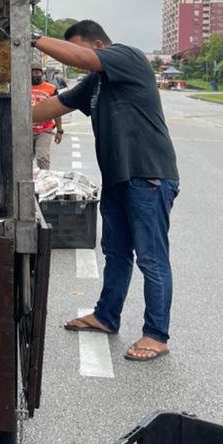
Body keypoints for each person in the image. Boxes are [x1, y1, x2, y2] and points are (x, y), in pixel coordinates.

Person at [31, 21, 179, 362]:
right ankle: (106, 316)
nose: (75, 61)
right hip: (117, 179)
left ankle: (156, 334)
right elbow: (51, 108)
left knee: (151, 259)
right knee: (116, 253)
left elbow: (83, 58)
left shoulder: (128, 57)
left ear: (98, 45)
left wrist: (34, 39)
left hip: (149, 176)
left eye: (79, 51)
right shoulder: (94, 84)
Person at [31, 60, 63, 169]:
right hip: (25, 131)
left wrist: (59, 131)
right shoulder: (21, 87)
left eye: (37, 72)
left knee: (42, 157)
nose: (34, 75)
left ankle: (46, 180)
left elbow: (57, 110)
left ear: (42, 74)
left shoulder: (51, 88)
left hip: (44, 130)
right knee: (23, 161)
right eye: (32, 72)